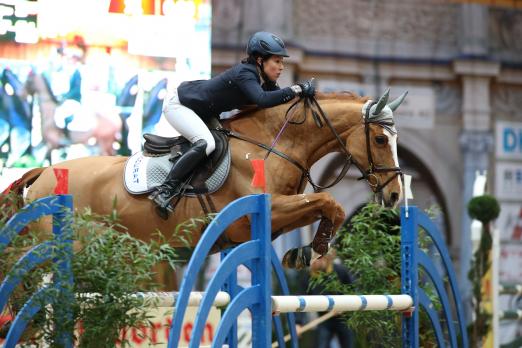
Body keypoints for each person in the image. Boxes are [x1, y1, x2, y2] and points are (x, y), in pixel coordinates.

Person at [150, 31, 316, 216]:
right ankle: (164, 191)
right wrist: (297, 88)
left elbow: (278, 103)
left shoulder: (264, 80)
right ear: (260, 60)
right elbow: (262, 100)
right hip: (180, 105)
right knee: (207, 143)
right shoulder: (246, 73)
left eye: (282, 62)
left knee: (225, 143)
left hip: (203, 110)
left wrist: (303, 95)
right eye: (277, 61)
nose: (281, 67)